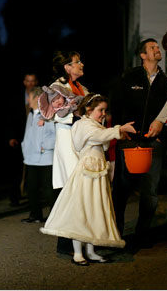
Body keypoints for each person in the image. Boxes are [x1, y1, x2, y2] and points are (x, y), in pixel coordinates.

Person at [40, 94, 136, 265]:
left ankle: (90, 250)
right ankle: (78, 252)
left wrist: (110, 130)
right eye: (100, 110)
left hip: (98, 172)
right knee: (81, 210)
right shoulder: (83, 124)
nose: (103, 113)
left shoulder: (95, 125)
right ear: (89, 110)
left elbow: (104, 142)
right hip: (86, 172)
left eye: (105, 110)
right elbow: (99, 137)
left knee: (95, 209)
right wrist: (118, 129)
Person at [109, 38, 167, 249]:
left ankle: (142, 235)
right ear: (143, 55)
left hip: (153, 144)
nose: (157, 50)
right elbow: (116, 104)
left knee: (150, 193)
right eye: (153, 48)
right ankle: (115, 234)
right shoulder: (129, 77)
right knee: (121, 190)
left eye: (157, 48)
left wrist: (163, 136)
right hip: (128, 142)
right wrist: (120, 130)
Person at [47, 51, 89, 254]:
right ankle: (66, 243)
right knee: (70, 189)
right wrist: (80, 113)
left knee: (77, 192)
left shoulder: (81, 87)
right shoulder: (57, 88)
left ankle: (75, 241)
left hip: (80, 140)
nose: (81, 64)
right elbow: (59, 115)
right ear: (67, 67)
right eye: (77, 62)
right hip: (67, 141)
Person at [20, 87, 55, 223]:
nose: (27, 99)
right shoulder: (31, 114)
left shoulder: (47, 114)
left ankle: (55, 218)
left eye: (29, 97)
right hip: (30, 159)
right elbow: (27, 136)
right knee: (32, 189)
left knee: (48, 191)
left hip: (45, 159)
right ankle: (35, 215)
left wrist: (44, 146)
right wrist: (25, 149)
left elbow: (54, 134)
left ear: (36, 98)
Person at [6, 73, 39, 207]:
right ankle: (14, 197)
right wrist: (11, 136)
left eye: (33, 81)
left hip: (36, 138)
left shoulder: (41, 97)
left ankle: (33, 197)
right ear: (24, 82)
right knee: (16, 169)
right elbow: (10, 118)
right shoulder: (15, 98)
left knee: (33, 169)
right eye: (27, 81)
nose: (30, 83)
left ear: (36, 82)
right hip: (19, 138)